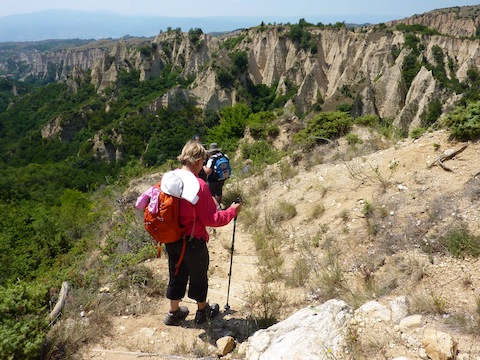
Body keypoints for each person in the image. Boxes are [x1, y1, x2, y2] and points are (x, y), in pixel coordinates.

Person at [163, 140, 241, 326]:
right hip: (193, 240)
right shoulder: (199, 185)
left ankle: (174, 312)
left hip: (171, 237)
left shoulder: (169, 177)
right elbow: (211, 219)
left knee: (176, 272)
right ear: (198, 161)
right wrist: (232, 211)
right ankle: (202, 312)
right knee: (198, 275)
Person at [203, 143, 230, 208]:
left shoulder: (212, 159)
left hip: (213, 179)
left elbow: (208, 172)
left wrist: (203, 166)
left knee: (211, 194)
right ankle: (219, 204)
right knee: (219, 191)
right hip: (222, 177)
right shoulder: (225, 155)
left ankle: (215, 207)